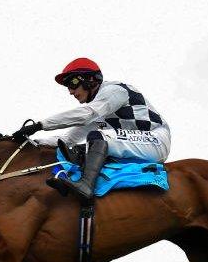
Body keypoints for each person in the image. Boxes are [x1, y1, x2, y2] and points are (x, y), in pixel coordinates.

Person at [12, 57, 171, 200]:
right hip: (133, 145)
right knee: (75, 147)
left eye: (72, 83)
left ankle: (86, 185)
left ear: (90, 79)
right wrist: (31, 142)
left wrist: (39, 125)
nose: (71, 91)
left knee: (96, 137)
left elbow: (86, 114)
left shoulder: (114, 91)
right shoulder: (98, 112)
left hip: (155, 140)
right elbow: (67, 140)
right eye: (67, 86)